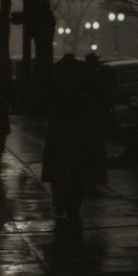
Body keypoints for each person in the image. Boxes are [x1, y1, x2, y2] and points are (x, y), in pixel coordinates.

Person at [41, 54, 108, 235]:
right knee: (76, 174)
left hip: (61, 133)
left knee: (61, 173)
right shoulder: (83, 86)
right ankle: (72, 207)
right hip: (77, 134)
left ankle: (61, 203)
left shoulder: (58, 85)